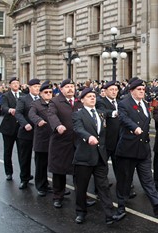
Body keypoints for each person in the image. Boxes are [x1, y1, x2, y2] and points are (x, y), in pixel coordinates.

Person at [115, 78, 158, 216]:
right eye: (138, 89)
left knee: (147, 179)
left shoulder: (144, 104)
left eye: (143, 90)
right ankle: (121, 207)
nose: (141, 92)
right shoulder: (124, 103)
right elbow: (123, 118)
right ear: (132, 91)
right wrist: (134, 127)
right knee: (125, 180)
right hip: (128, 148)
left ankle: (157, 204)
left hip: (143, 148)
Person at [72, 88, 126, 225]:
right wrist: (88, 137)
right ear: (82, 100)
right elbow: (78, 129)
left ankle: (109, 214)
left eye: (93, 96)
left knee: (103, 187)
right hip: (84, 157)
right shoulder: (78, 114)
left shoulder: (101, 113)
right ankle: (80, 212)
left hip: (100, 156)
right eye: (89, 97)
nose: (92, 98)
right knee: (82, 186)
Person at [47, 79, 95, 208]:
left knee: (80, 172)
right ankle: (58, 196)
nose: (70, 89)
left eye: (72, 87)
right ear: (61, 89)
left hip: (79, 142)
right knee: (59, 171)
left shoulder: (80, 102)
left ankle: (82, 197)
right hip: (61, 141)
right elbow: (51, 115)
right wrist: (58, 126)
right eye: (67, 87)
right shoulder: (55, 101)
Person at [28, 81, 54, 196]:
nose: (48, 94)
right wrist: (38, 121)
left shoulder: (54, 103)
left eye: (50, 92)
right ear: (41, 94)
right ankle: (40, 186)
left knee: (52, 164)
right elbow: (31, 114)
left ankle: (48, 185)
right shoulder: (36, 104)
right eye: (46, 92)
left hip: (54, 138)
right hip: (42, 139)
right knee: (41, 164)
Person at [15, 78, 41, 189]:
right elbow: (18, 113)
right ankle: (24, 178)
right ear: (30, 88)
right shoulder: (23, 99)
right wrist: (25, 124)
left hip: (40, 133)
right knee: (25, 157)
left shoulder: (43, 99)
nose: (37, 89)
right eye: (35, 86)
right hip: (26, 132)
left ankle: (41, 182)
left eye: (39, 87)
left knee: (40, 158)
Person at [0, 77, 23, 181]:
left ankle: (24, 174)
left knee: (22, 152)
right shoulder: (6, 95)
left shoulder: (23, 96)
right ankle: (9, 172)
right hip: (8, 128)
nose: (16, 85)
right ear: (10, 85)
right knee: (8, 151)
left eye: (17, 83)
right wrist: (9, 110)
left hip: (21, 128)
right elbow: (3, 107)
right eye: (14, 83)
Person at [96, 80, 120, 178]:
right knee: (102, 166)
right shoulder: (101, 101)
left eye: (116, 90)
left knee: (120, 166)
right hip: (107, 140)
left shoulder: (120, 102)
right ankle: (101, 188)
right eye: (111, 90)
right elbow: (102, 111)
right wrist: (113, 113)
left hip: (119, 140)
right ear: (105, 91)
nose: (114, 92)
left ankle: (123, 187)